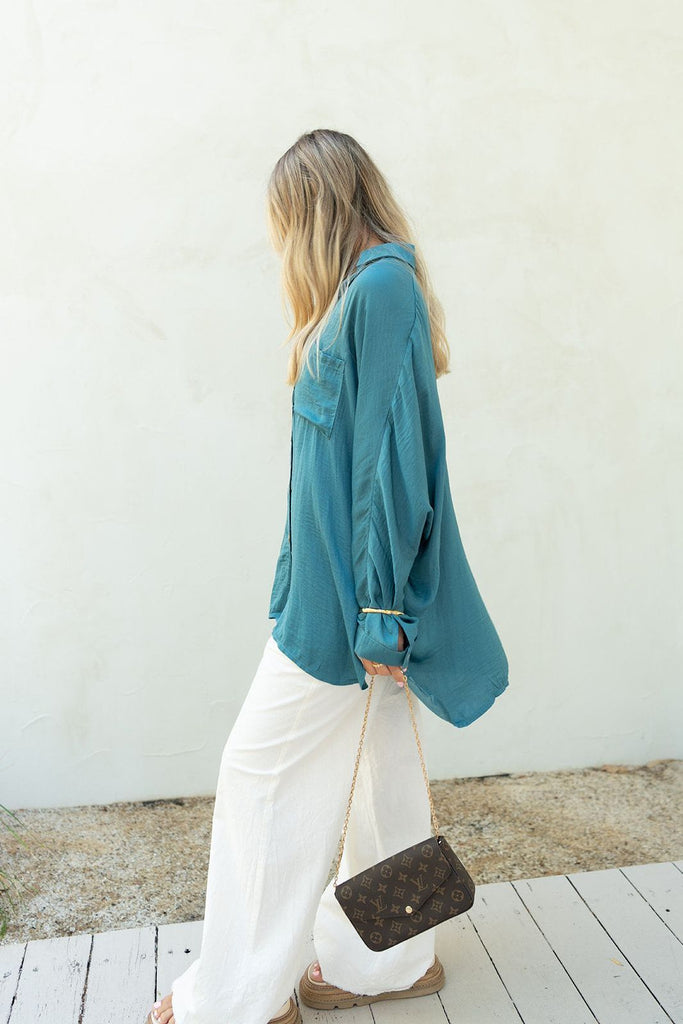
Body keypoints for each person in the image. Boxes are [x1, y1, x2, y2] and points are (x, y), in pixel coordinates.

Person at [146, 128, 509, 1024]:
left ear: (312, 209)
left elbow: (388, 463)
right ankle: (388, 965)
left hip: (351, 611)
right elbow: (324, 472)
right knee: (380, 786)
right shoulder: (359, 290)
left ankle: (240, 999)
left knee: (258, 777)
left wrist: (380, 611)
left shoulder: (379, 289)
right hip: (328, 603)